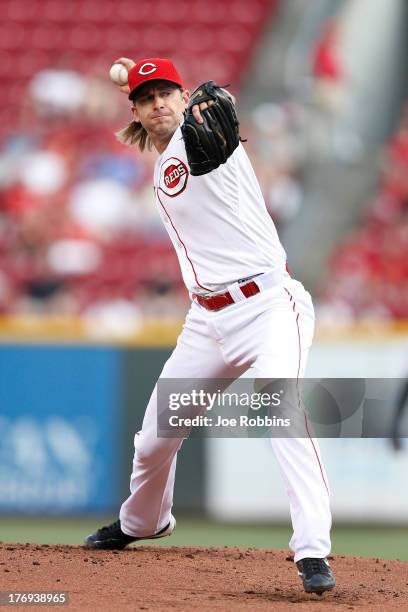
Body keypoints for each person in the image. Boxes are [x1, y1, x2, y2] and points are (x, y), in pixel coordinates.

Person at [85, 57, 336, 595]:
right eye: (146, 98)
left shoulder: (207, 140)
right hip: (207, 322)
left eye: (166, 94)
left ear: (182, 96)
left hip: (269, 306)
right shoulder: (158, 164)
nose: (159, 104)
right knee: (154, 439)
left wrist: (202, 106)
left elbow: (214, 115)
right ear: (135, 109)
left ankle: (312, 549)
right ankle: (144, 521)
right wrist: (143, 78)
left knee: (280, 406)